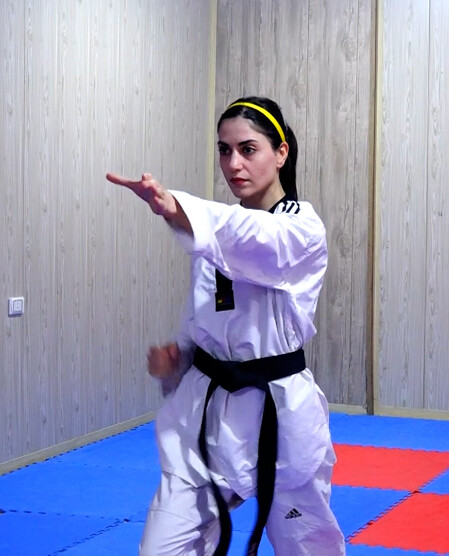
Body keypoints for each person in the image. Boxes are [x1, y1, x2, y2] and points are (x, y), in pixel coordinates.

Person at [107, 97, 345, 556]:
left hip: (280, 415)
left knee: (307, 547)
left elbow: (254, 240)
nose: (233, 164)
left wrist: (175, 207)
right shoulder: (212, 238)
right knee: (161, 549)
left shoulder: (301, 229)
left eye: (248, 149)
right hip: (207, 414)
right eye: (224, 150)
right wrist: (177, 359)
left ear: (281, 152)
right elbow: (203, 316)